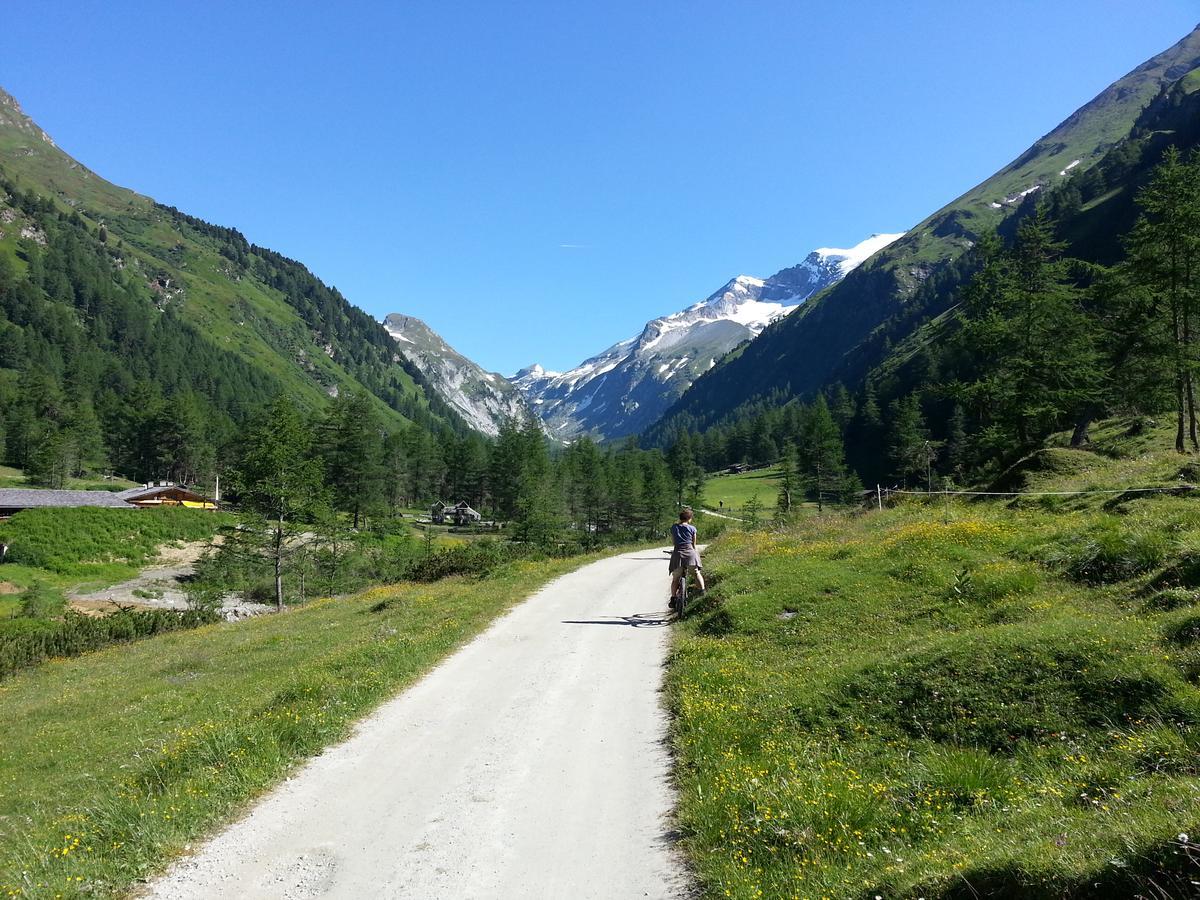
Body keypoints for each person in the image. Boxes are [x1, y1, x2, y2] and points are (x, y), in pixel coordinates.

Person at [669, 508, 705, 609]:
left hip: (678, 555)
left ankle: (673, 598)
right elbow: (693, 544)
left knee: (675, 578)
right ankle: (702, 592)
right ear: (689, 518)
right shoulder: (692, 528)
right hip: (690, 555)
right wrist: (696, 554)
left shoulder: (674, 527)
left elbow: (674, 542)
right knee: (696, 573)